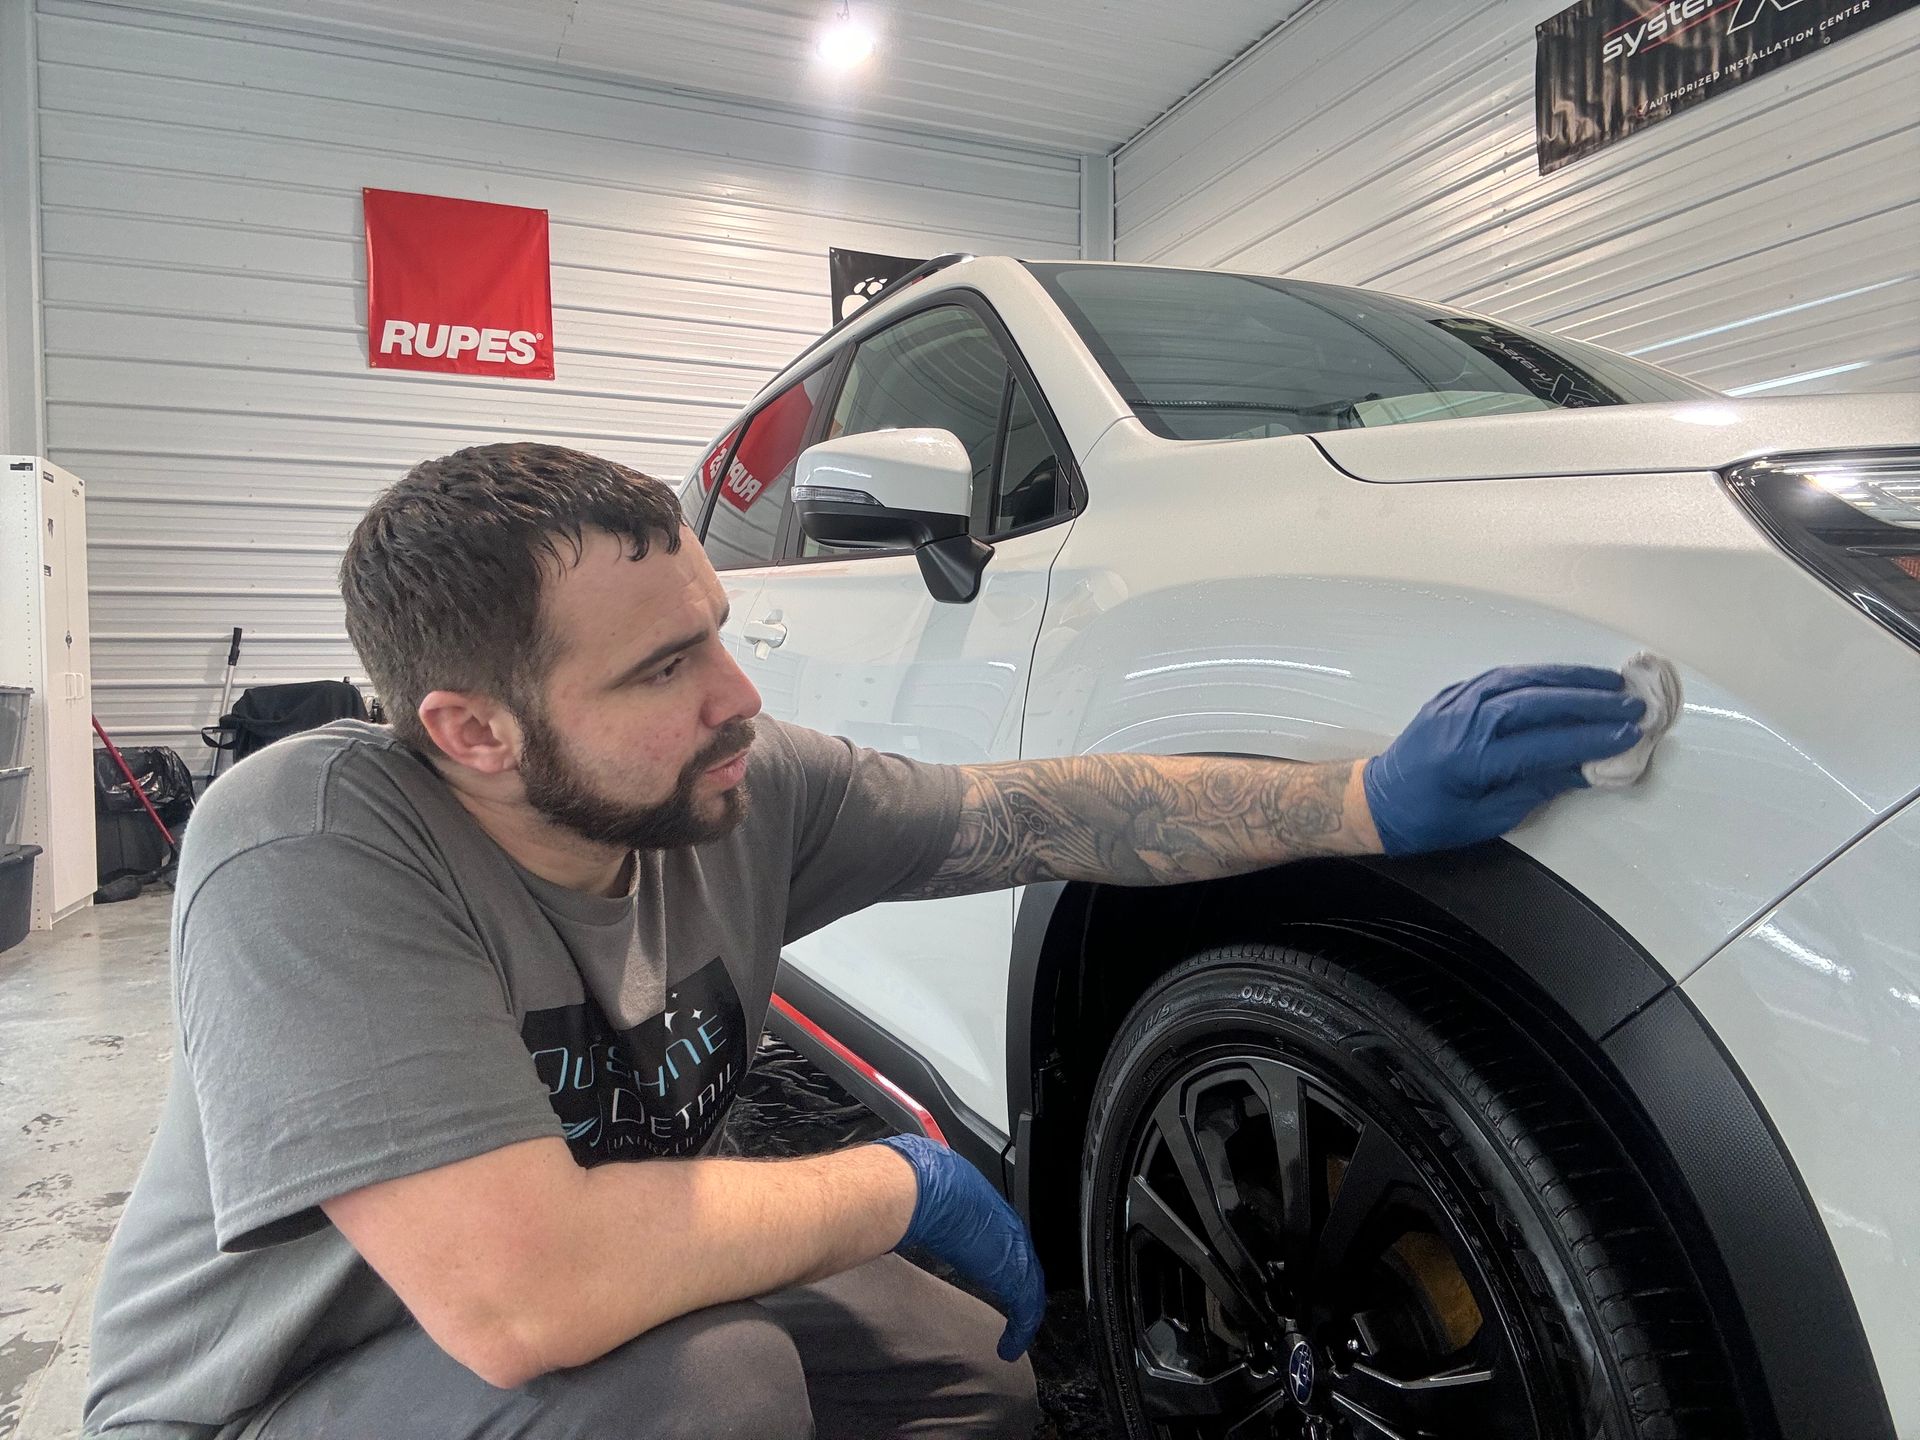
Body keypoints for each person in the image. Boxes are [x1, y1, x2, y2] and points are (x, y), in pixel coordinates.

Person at [82, 443, 1650, 1440]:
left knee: (961, 1359)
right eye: (662, 669)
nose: (737, 697)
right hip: (273, 1398)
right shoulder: (315, 841)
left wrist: (1365, 798)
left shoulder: (733, 794)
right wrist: (894, 1180)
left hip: (551, 1327)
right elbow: (525, 1302)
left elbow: (1031, 813)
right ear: (473, 731)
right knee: (712, 1393)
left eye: (718, 631)